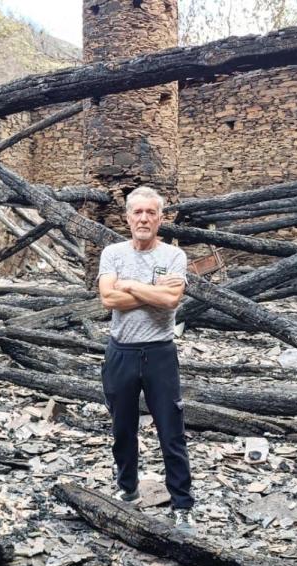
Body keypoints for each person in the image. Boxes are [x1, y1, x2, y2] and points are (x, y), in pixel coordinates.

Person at [97, 185, 194, 531]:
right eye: (137, 212)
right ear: (127, 217)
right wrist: (152, 292)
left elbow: (170, 302)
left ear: (160, 218)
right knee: (123, 429)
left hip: (159, 353)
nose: (143, 218)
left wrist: (129, 286)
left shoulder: (173, 256)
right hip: (121, 351)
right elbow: (108, 299)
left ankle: (182, 504)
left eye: (150, 212)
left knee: (171, 430)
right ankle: (128, 489)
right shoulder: (112, 253)